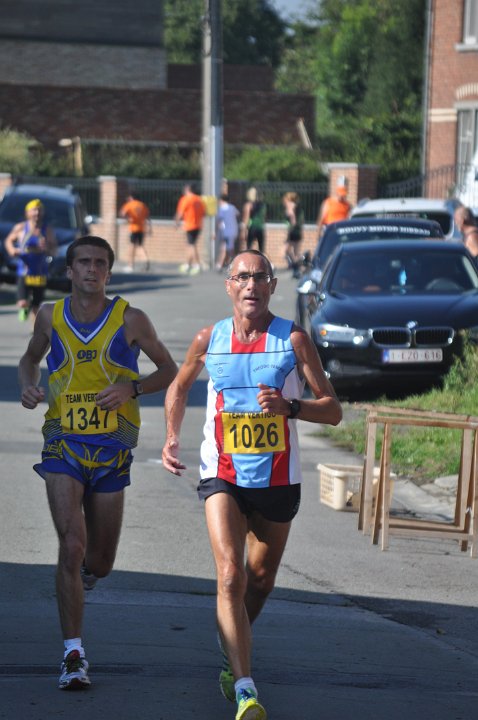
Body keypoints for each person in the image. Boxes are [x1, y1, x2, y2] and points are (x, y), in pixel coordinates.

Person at [162, 249, 342, 720]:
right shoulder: (209, 339)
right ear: (229, 285)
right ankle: (245, 687)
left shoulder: (293, 339)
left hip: (278, 478)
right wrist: (172, 436)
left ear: (272, 286)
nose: (251, 285)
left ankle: (231, 643)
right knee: (230, 575)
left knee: (259, 581)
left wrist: (291, 408)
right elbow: (179, 386)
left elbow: (333, 409)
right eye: (242, 277)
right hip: (222, 473)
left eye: (260, 277)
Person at [18, 235, 177, 691]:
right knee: (71, 545)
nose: (92, 269)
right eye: (84, 262)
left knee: (100, 561)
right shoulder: (49, 315)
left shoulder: (131, 319)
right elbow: (29, 359)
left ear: (108, 271)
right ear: (69, 270)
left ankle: (89, 574)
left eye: (100, 263)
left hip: (112, 448)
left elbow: (169, 369)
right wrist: (29, 384)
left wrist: (133, 388)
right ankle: (73, 655)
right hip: (63, 443)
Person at [4, 198, 57, 323]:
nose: (37, 213)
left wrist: (48, 248)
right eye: (34, 210)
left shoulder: (47, 229)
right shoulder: (21, 227)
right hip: (24, 271)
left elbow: (54, 249)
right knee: (22, 302)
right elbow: (8, 241)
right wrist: (12, 250)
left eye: (39, 210)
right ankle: (25, 307)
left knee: (37, 306)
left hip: (40, 272)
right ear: (27, 212)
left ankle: (35, 329)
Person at [174, 183, 206, 275]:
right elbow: (204, 213)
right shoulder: (199, 199)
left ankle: (198, 264)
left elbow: (180, 212)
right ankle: (188, 264)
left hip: (190, 225)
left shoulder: (185, 199)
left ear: (188, 189)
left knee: (191, 245)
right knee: (190, 244)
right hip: (198, 225)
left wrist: (176, 222)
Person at [119, 192, 152, 272]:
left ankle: (130, 265)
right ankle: (146, 261)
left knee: (132, 247)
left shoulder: (130, 204)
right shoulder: (143, 205)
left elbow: (122, 213)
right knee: (140, 246)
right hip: (141, 228)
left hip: (133, 228)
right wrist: (150, 228)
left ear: (132, 197)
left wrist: (128, 219)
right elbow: (148, 217)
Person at [215, 194, 240, 271]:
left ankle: (233, 264)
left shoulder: (222, 209)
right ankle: (222, 263)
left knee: (229, 249)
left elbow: (218, 222)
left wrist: (216, 232)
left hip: (226, 231)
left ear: (221, 200)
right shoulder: (232, 208)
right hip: (233, 231)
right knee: (226, 248)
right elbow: (237, 214)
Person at [282, 191, 304, 278]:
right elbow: (301, 220)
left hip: (293, 232)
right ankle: (297, 268)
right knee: (295, 253)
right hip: (297, 231)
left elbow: (293, 220)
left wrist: (291, 219)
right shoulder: (298, 207)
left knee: (286, 251)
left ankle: (295, 267)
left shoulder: (291, 206)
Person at [241, 187, 266, 253]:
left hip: (252, 227)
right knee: (261, 249)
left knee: (249, 248)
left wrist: (244, 231)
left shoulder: (248, 205)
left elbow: (246, 218)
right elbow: (264, 218)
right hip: (260, 228)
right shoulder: (262, 205)